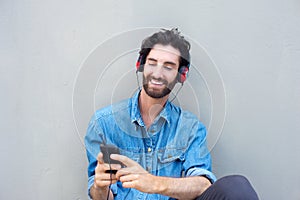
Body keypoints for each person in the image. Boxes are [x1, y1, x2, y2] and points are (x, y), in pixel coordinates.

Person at [84, 28, 259, 200]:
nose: (158, 73)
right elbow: (102, 197)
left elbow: (203, 184)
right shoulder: (104, 124)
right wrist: (100, 186)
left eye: (168, 66)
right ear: (140, 66)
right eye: (152, 63)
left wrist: (154, 183)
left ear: (181, 75)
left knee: (237, 187)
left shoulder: (190, 128)